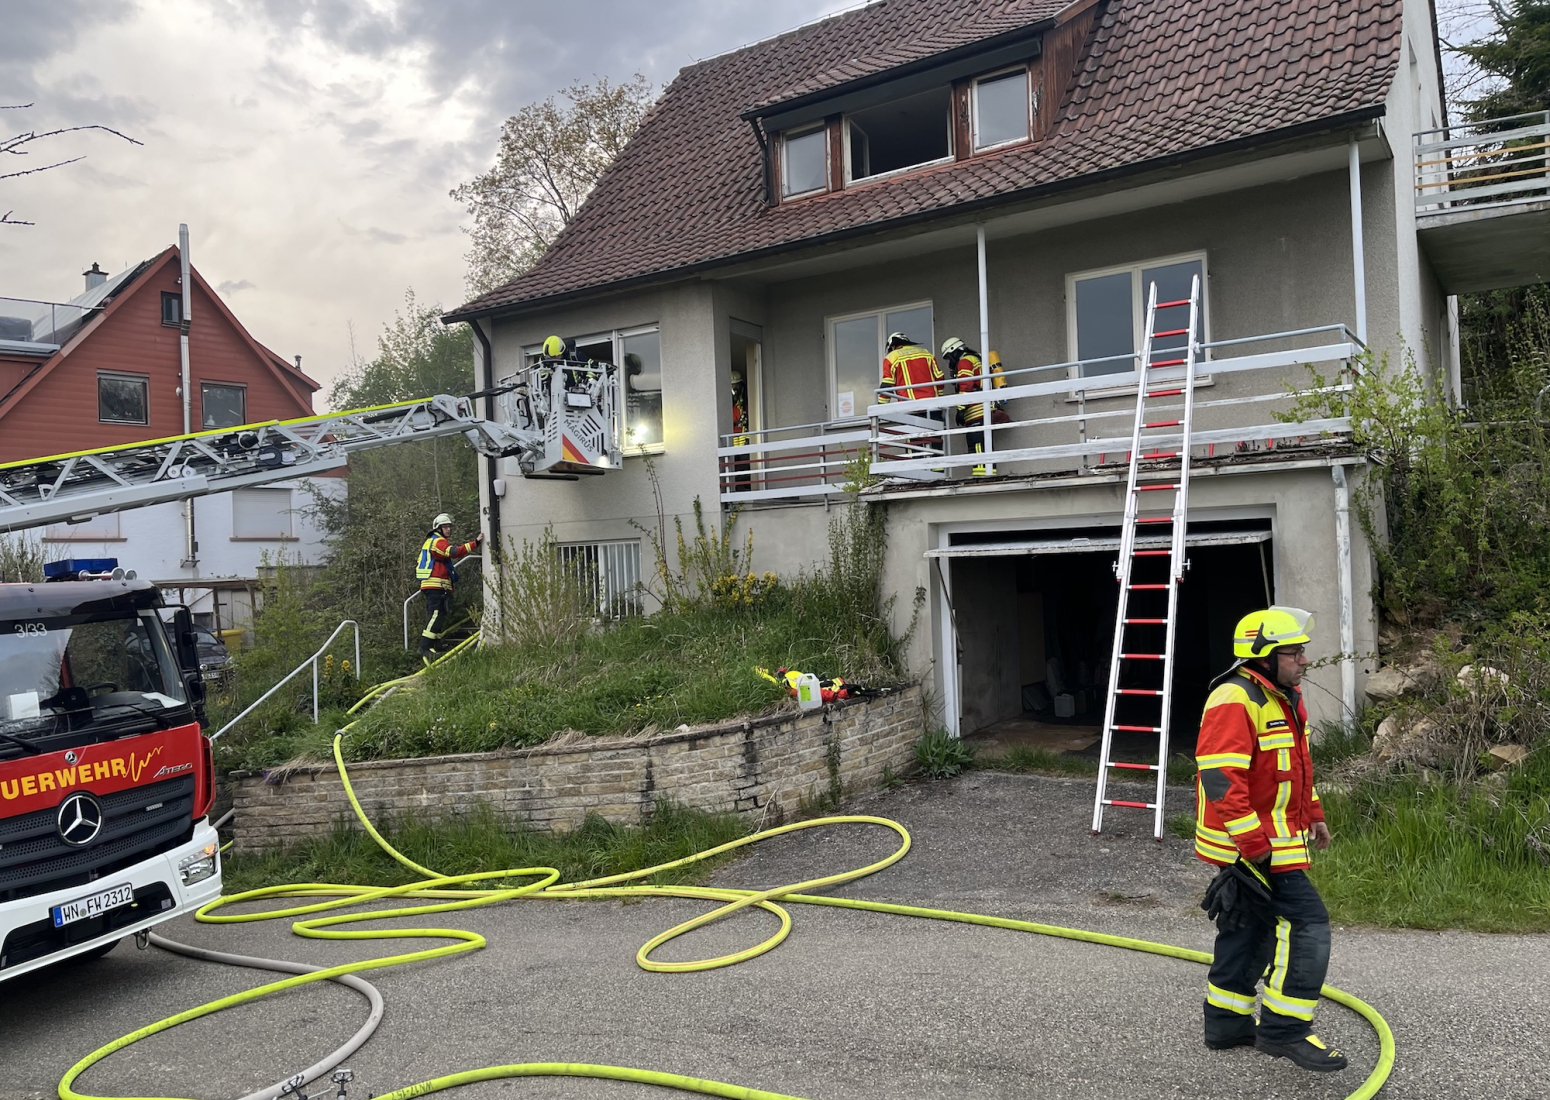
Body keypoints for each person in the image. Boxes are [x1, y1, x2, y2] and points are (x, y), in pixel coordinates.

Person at [1194, 606, 1345, 1072]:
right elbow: (1220, 778)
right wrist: (1254, 846)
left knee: (1249, 928)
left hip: (1269, 840)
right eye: (1294, 653)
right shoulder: (1235, 698)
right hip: (1253, 846)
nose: (1304, 660)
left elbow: (1295, 767)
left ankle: (1226, 1025)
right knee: (1308, 924)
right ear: (1263, 656)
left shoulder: (1284, 697)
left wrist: (1313, 814)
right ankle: (1285, 1031)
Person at [416, 512, 483, 662]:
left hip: (437, 586)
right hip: (435, 585)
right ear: (438, 529)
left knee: (439, 615)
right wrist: (475, 543)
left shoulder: (433, 541)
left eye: (449, 526)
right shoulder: (438, 541)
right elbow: (454, 552)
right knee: (435, 615)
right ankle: (424, 647)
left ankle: (435, 644)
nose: (449, 529)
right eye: (445, 527)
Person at [941, 337, 1010, 477]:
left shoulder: (965, 361)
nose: (950, 362)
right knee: (986, 446)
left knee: (976, 445)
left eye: (949, 358)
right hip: (985, 409)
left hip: (976, 411)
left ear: (954, 351)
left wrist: (960, 409)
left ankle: (981, 477)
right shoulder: (976, 358)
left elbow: (966, 385)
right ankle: (989, 474)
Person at [878, 332, 945, 456]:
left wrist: (881, 408)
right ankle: (937, 466)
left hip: (910, 409)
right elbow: (940, 378)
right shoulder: (926, 353)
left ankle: (917, 465)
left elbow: (887, 386)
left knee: (914, 447)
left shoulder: (892, 357)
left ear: (892, 346)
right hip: (933, 407)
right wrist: (939, 400)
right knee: (935, 443)